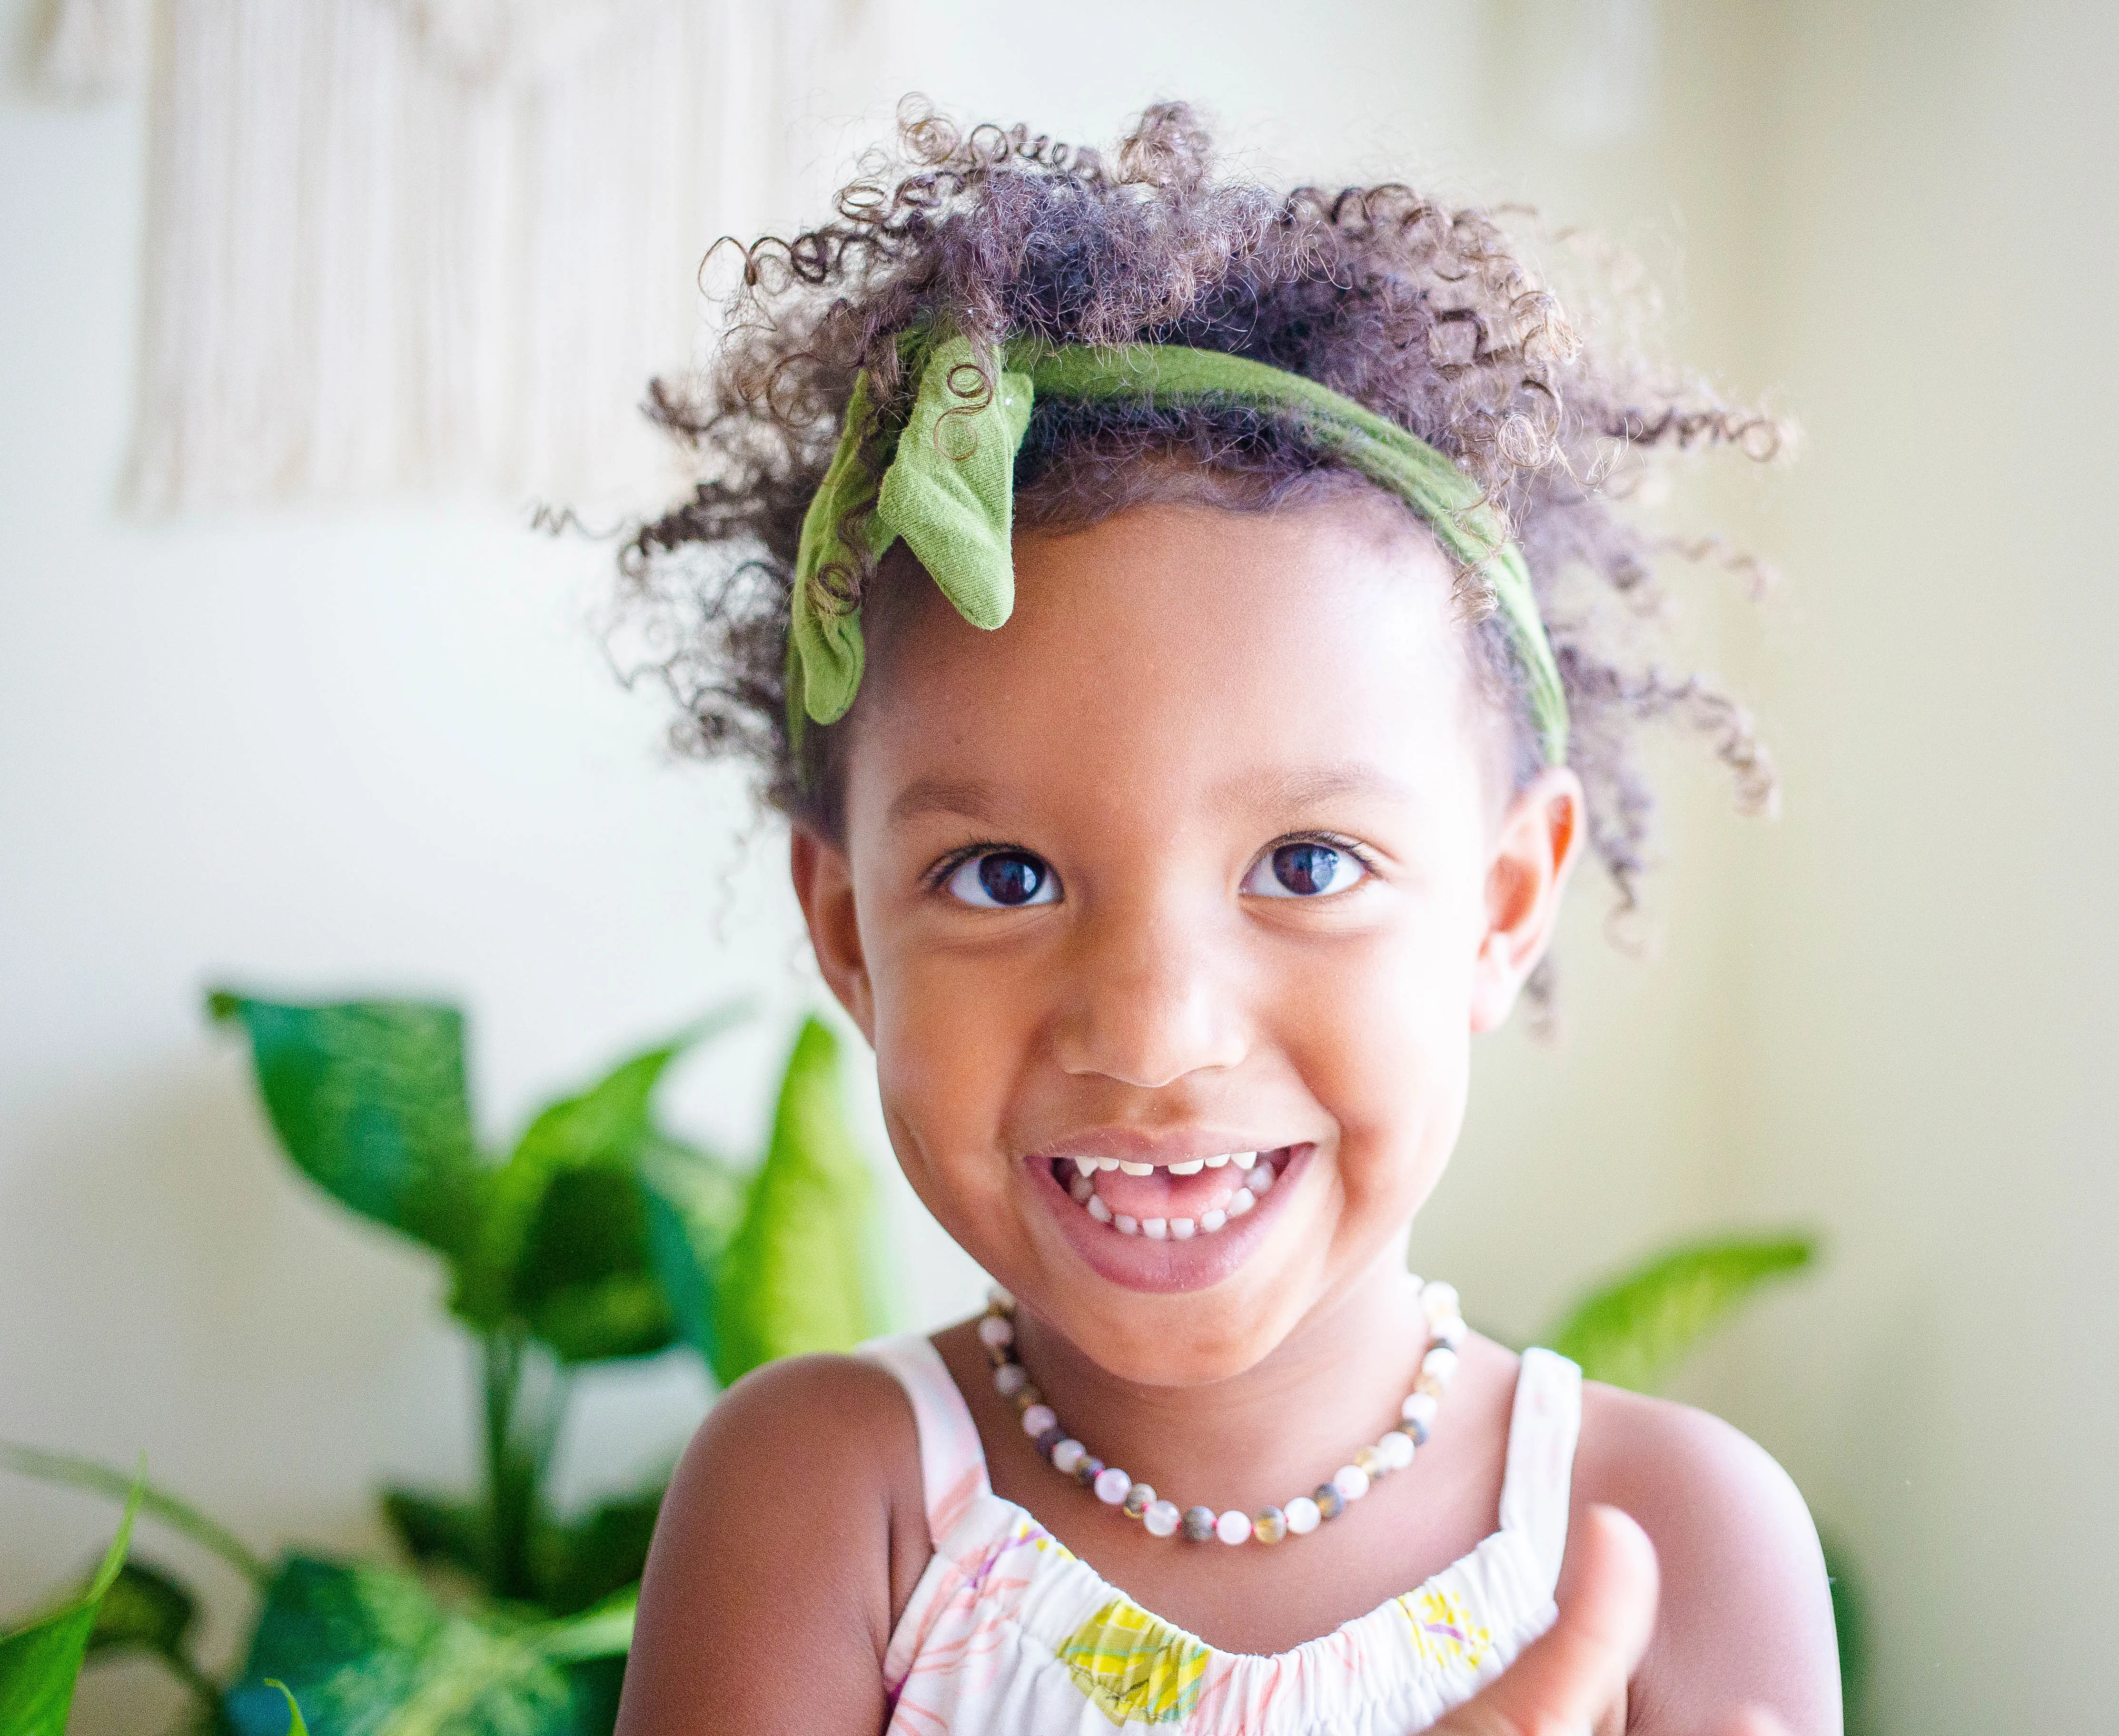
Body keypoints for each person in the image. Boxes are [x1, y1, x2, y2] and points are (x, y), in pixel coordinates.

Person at [611, 101, 1840, 1736]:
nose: (1153, 1028)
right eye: (1006, 877)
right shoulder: (836, 1513)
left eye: (1310, 866)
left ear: (1501, 903)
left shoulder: (1671, 1543)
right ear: (848, 932)